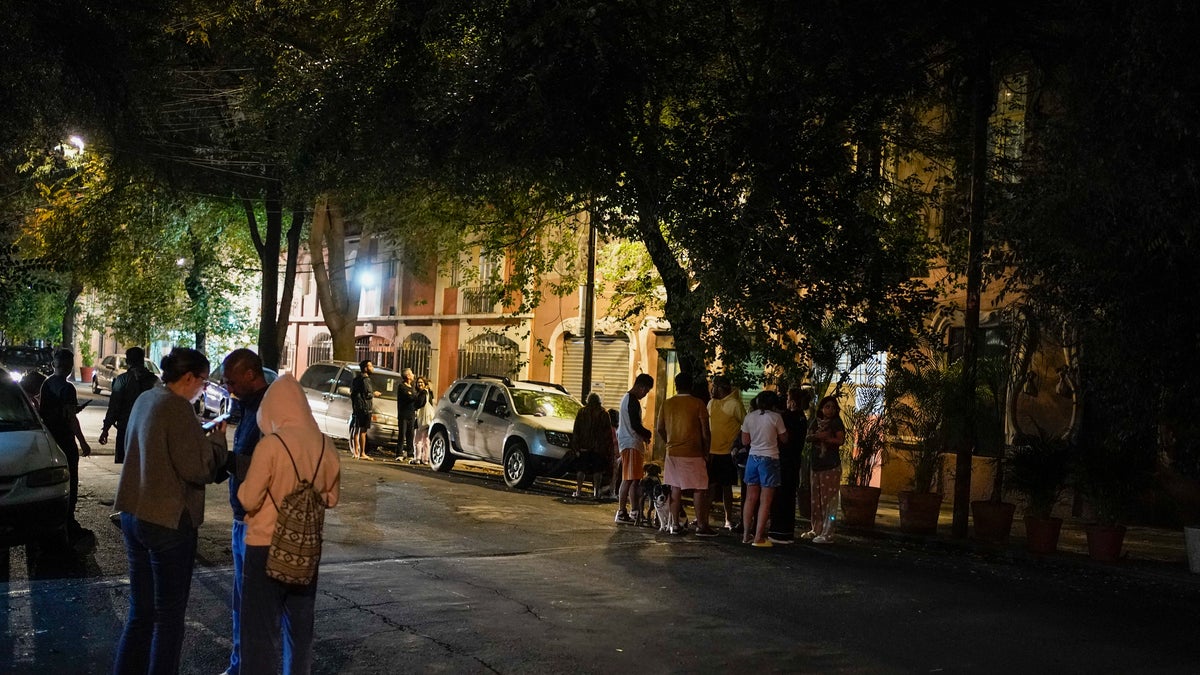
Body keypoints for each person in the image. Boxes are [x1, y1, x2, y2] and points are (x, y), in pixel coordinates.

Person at [112, 348, 229, 674]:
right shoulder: (177, 408)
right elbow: (199, 468)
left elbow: (149, 446)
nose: (204, 388)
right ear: (189, 377)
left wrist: (196, 434)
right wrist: (218, 441)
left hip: (134, 512)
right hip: (167, 519)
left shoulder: (147, 399)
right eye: (203, 381)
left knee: (141, 613)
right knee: (169, 618)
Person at [237, 374, 341, 675]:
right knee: (300, 628)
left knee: (259, 631)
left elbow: (249, 499)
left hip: (264, 549)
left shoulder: (271, 445)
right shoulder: (326, 446)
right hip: (305, 550)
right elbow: (331, 498)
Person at [219, 349, 271, 675]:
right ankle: (240, 666)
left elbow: (264, 469)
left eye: (232, 381)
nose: (229, 388)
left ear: (251, 374)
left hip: (257, 522)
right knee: (242, 605)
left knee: (252, 607)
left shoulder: (267, 414)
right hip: (243, 520)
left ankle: (250, 667)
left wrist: (221, 460)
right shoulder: (250, 408)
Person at [38, 348, 91, 539]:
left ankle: (55, 522)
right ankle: (69, 522)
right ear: (69, 366)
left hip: (50, 438)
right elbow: (70, 419)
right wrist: (83, 442)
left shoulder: (47, 383)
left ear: (54, 364)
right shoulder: (67, 388)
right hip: (65, 439)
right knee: (71, 480)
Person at [656, 372, 714, 536]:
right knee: (699, 488)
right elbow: (705, 432)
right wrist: (706, 450)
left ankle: (675, 525)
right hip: (693, 452)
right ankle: (701, 525)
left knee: (676, 488)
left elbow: (660, 428)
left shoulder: (667, 404)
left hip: (672, 452)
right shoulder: (698, 404)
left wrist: (668, 441)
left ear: (676, 385)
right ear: (691, 385)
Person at [740, 390, 788, 547]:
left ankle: (746, 534)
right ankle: (758, 537)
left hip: (752, 459)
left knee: (750, 498)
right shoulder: (776, 418)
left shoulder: (749, 417)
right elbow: (784, 438)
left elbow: (745, 440)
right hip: (770, 459)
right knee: (765, 501)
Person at [99, 347, 159, 464]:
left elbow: (114, 406)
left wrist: (106, 429)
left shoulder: (122, 380)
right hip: (149, 431)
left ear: (128, 361)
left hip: (126, 429)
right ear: (142, 360)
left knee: (128, 466)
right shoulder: (154, 381)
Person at [768, 387, 811, 544]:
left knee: (779, 496)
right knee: (789, 497)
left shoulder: (787, 418)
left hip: (783, 461)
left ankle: (778, 531)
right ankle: (787, 532)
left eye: (787, 399)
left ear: (791, 401)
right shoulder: (801, 418)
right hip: (794, 462)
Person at [706, 375, 746, 531]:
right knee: (709, 486)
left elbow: (745, 424)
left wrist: (737, 445)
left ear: (721, 388)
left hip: (727, 453)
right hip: (711, 451)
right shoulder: (711, 403)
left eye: (714, 386)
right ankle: (703, 517)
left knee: (726, 487)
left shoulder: (735, 404)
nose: (711, 389)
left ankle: (728, 518)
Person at [805, 395, 846, 544]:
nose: (829, 410)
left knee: (829, 500)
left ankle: (828, 532)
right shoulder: (816, 422)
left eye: (832, 407)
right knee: (816, 499)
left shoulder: (836, 423)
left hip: (830, 465)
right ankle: (816, 528)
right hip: (816, 465)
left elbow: (840, 440)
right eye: (827, 407)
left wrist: (826, 439)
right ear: (821, 408)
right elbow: (808, 437)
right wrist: (817, 436)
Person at [614, 373, 654, 524]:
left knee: (634, 479)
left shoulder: (628, 399)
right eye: (646, 390)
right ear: (641, 387)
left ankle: (634, 511)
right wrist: (647, 433)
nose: (645, 394)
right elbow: (635, 425)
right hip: (631, 443)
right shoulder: (631, 401)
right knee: (628, 479)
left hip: (631, 443)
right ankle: (621, 511)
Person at [571, 393, 615, 499]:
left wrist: (576, 447)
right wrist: (608, 449)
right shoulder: (603, 413)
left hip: (583, 447)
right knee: (597, 470)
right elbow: (608, 433)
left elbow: (576, 430)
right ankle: (596, 493)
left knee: (581, 469)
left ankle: (579, 490)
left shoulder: (582, 412)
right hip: (598, 448)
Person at [394, 367, 426, 462]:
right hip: (403, 414)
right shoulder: (402, 387)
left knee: (410, 435)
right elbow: (410, 397)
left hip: (411, 414)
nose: (413, 375)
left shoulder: (412, 388)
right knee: (402, 434)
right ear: (408, 376)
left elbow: (416, 399)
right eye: (411, 373)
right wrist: (415, 395)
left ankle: (410, 453)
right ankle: (399, 453)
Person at [349, 360, 378, 460]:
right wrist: (374, 394)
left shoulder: (356, 379)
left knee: (355, 429)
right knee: (363, 431)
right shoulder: (366, 379)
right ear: (365, 368)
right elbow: (368, 394)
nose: (372, 368)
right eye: (370, 366)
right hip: (365, 408)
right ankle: (362, 453)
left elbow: (352, 392)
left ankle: (355, 452)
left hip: (357, 408)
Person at [413, 376, 436, 465]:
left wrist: (414, 404)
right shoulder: (429, 393)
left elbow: (419, 404)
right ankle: (425, 459)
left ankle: (417, 458)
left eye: (421, 382)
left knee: (417, 439)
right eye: (418, 382)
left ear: (425, 384)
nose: (419, 384)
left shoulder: (422, 393)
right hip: (429, 419)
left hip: (421, 419)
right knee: (426, 440)